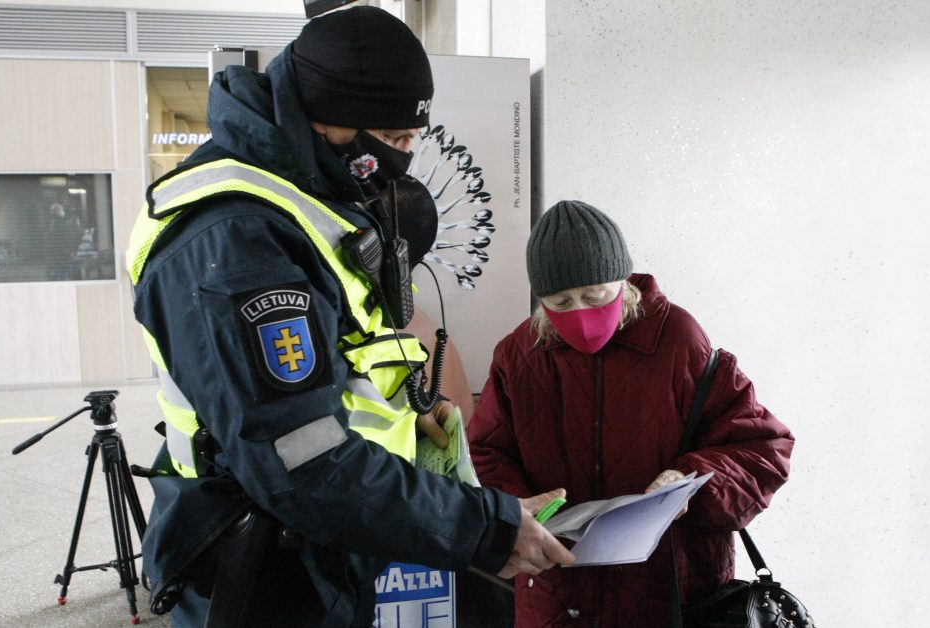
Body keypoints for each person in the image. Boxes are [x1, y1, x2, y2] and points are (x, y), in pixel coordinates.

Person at [125, 7, 573, 627]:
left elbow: (346, 366)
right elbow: (303, 461)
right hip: (269, 569)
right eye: (391, 141)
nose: (403, 159)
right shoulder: (238, 240)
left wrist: (416, 435)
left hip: (333, 544)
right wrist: (483, 527)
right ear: (324, 113)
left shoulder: (309, 195)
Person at [467, 200, 794, 627]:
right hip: (557, 597)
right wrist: (517, 510)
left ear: (622, 279)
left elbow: (762, 449)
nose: (580, 313)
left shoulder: (678, 339)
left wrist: (687, 481)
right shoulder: (520, 354)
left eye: (594, 295)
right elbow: (484, 452)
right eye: (560, 302)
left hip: (674, 593)